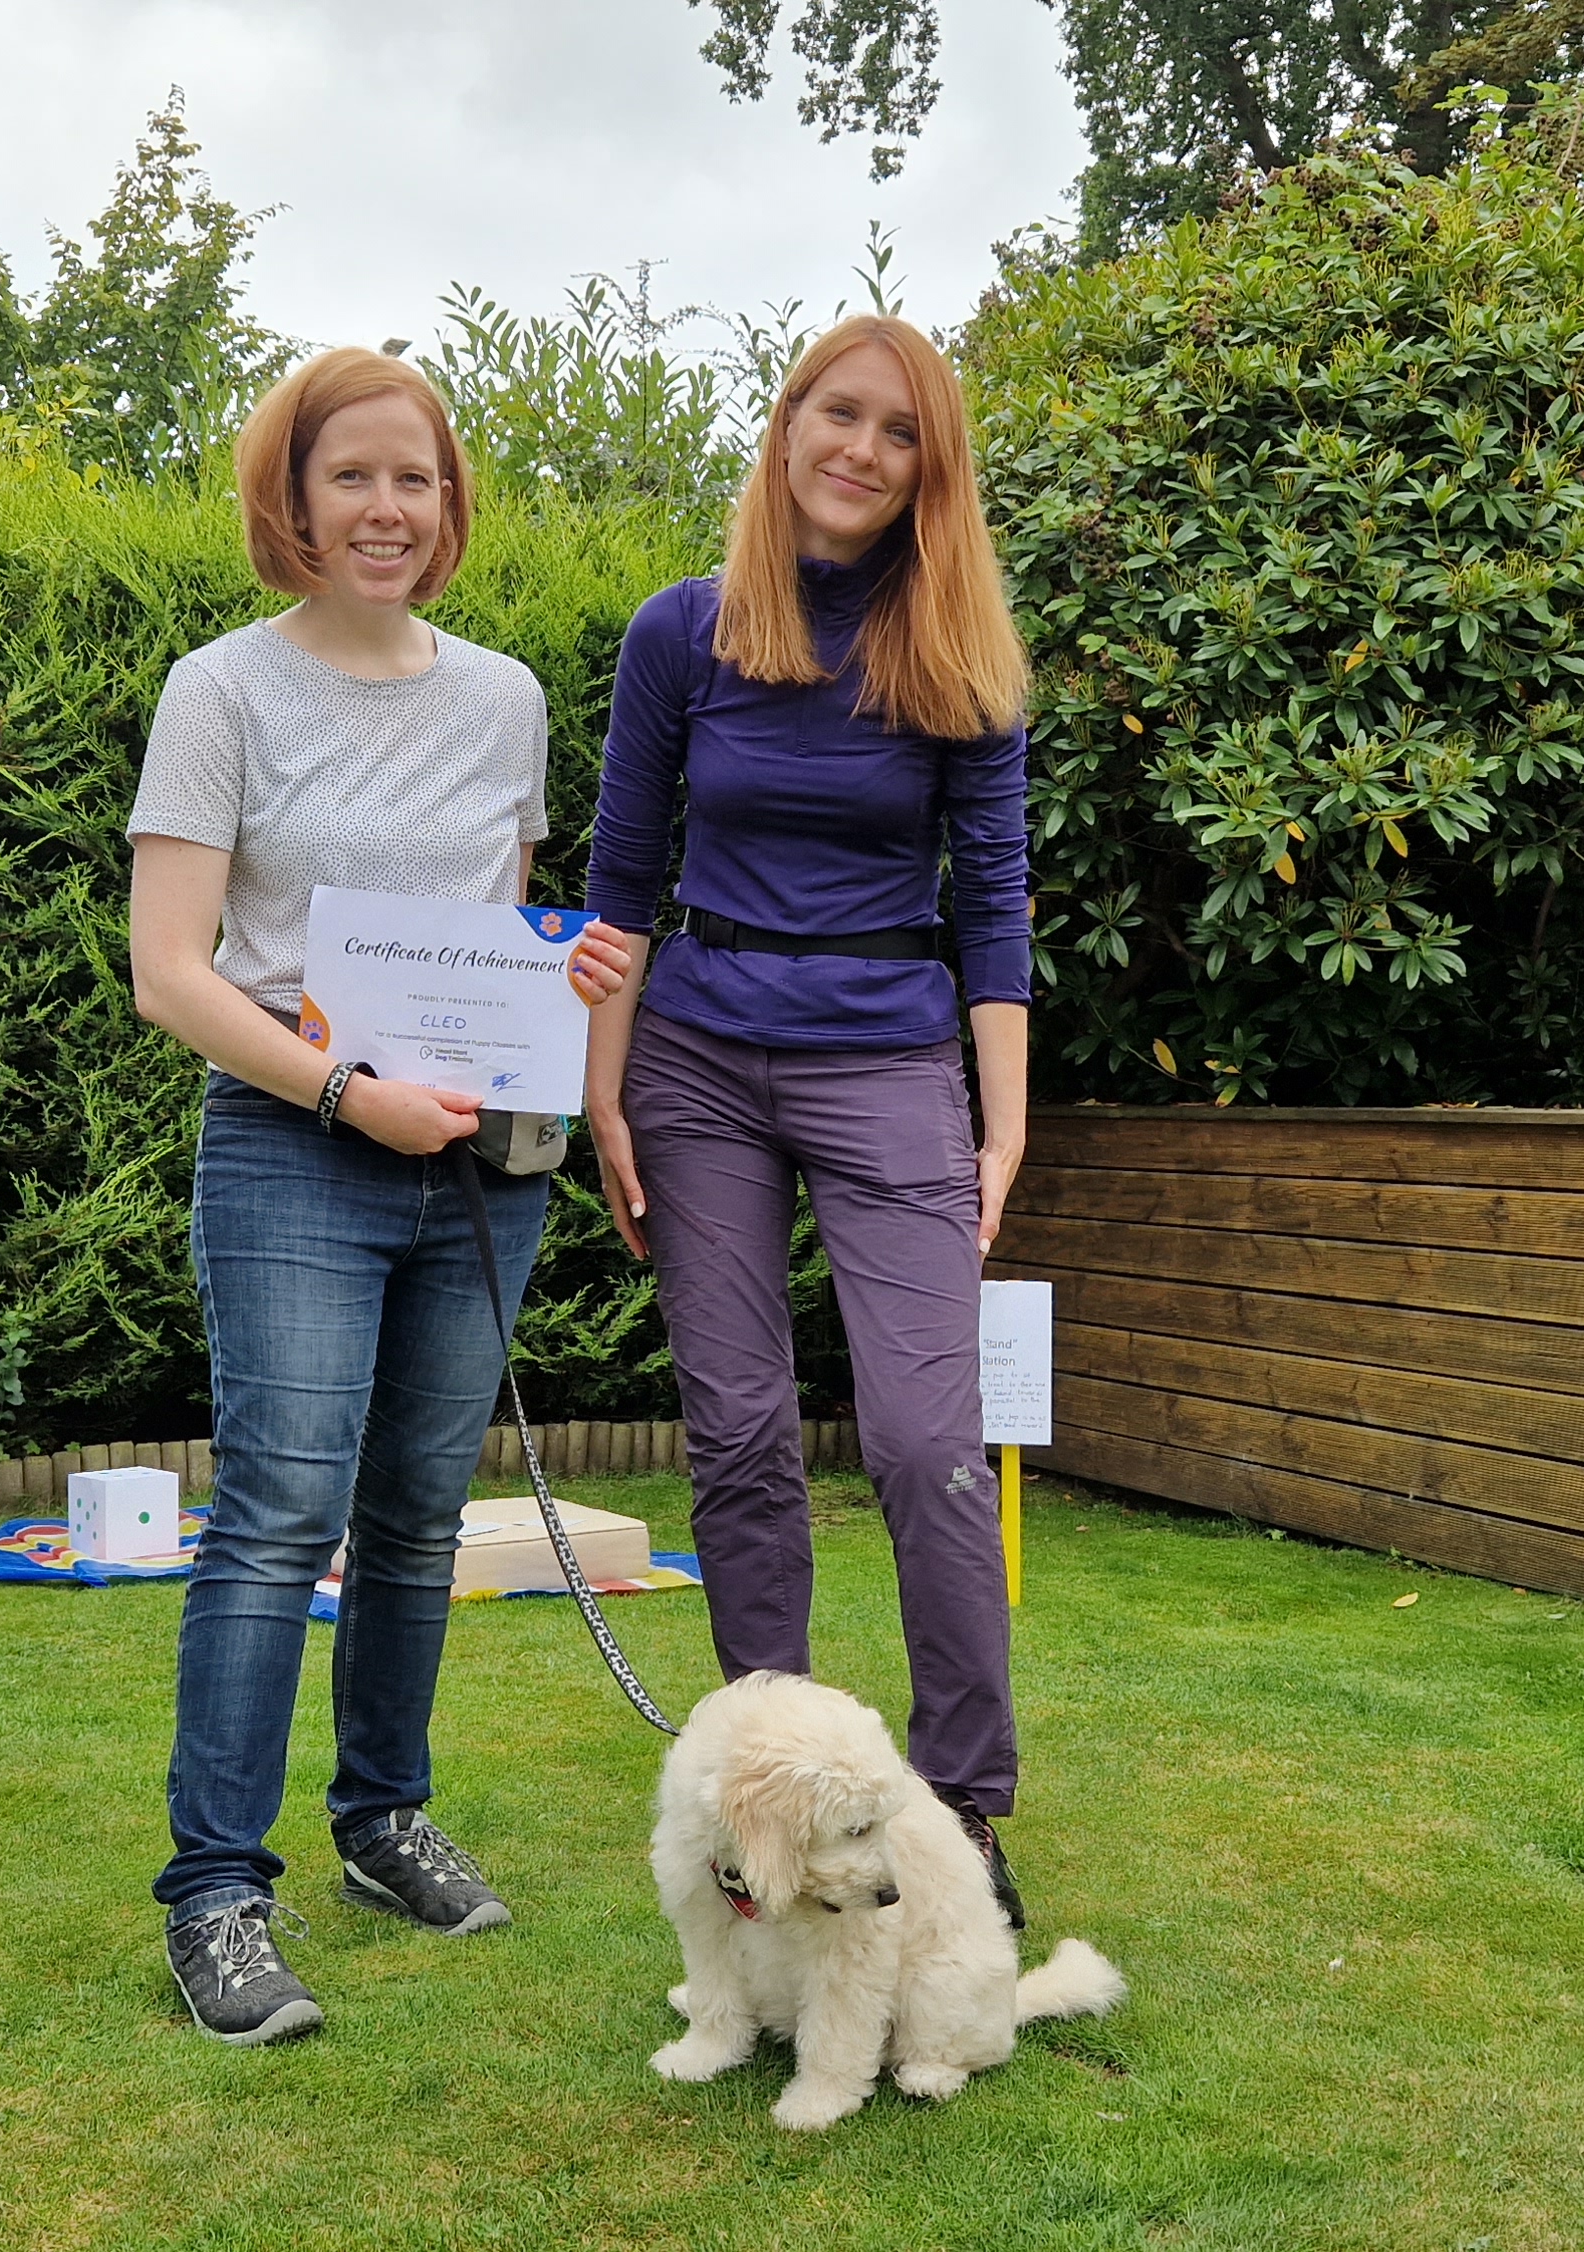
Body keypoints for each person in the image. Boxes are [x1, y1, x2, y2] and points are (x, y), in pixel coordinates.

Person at [126, 345, 634, 2045]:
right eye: (353, 474)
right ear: (293, 494)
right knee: (277, 1521)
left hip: (482, 1170)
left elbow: (493, 940)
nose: (387, 508)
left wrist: (562, 999)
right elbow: (170, 974)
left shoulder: (506, 702)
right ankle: (216, 1897)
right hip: (292, 1150)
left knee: (419, 1520)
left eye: (415, 477)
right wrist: (348, 1091)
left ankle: (381, 1823)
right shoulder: (221, 692)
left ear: (450, 501)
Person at [580, 314, 1038, 1928]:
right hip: (695, 1060)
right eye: (835, 414)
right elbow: (621, 879)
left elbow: (994, 902)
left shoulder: (958, 660)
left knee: (928, 1449)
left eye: (898, 431)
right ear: (784, 430)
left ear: (930, 472)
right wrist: (604, 1097)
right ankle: (763, 1800)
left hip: (888, 1060)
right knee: (743, 1439)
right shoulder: (683, 632)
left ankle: (965, 1810)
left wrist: (1002, 1124)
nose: (859, 448)